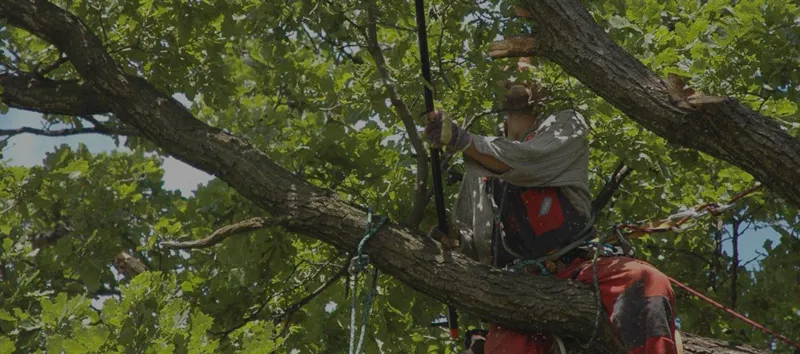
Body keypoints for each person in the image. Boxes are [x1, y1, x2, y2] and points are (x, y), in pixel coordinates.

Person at [422, 83, 680, 354]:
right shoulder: (477, 170)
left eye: (530, 65)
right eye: (513, 67)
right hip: (515, 289)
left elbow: (528, 162)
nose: (521, 70)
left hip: (580, 269)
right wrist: (454, 239)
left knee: (644, 280)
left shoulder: (564, 125)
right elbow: (477, 250)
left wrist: (464, 141)